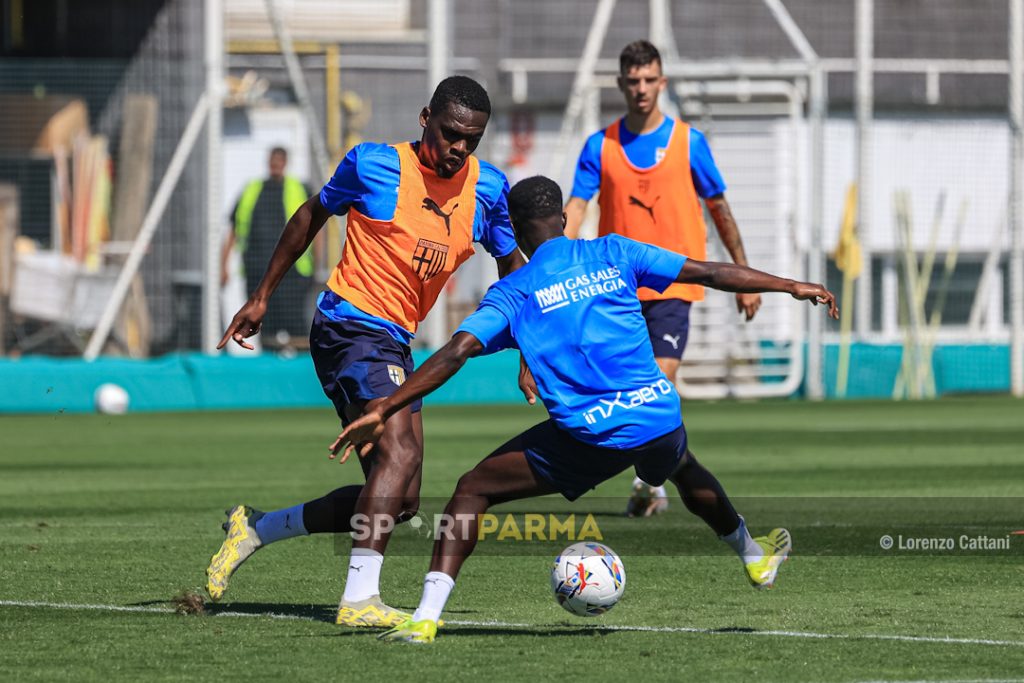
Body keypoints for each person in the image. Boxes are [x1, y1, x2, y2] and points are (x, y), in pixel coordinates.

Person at [333, 176, 838, 643]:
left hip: (589, 438)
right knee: (680, 465)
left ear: (515, 231)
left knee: (471, 490)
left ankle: (424, 618)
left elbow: (455, 352)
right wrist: (791, 285)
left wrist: (387, 406)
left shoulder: (514, 290)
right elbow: (707, 272)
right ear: (564, 220)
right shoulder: (614, 251)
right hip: (656, 417)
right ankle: (753, 554)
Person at [206, 76, 526, 628]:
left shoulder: (488, 189)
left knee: (400, 500)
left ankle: (257, 527)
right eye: (451, 134)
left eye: (471, 140)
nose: (459, 148)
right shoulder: (374, 165)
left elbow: (514, 267)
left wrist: (531, 349)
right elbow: (310, 215)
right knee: (397, 454)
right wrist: (260, 297)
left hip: (395, 340)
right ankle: (358, 600)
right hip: (347, 326)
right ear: (426, 118)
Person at [563, 40, 762, 516]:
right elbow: (576, 207)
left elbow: (720, 209)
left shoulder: (689, 143)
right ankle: (649, 473)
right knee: (624, 389)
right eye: (633, 81)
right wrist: (553, 259)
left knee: (660, 380)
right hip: (616, 291)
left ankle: (649, 481)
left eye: (649, 80)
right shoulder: (600, 146)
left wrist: (746, 276)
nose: (641, 89)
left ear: (662, 83)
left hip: (673, 286)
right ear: (620, 85)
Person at [222, 147, 315, 344]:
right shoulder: (252, 190)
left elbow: (317, 227)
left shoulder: (299, 188)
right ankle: (267, 356)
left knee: (295, 323)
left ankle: (298, 363)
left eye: (280, 160)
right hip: (258, 270)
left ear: (286, 162)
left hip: (292, 272)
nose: (276, 165)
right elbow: (234, 229)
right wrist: (224, 265)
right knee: (263, 324)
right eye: (273, 160)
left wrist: (317, 262)